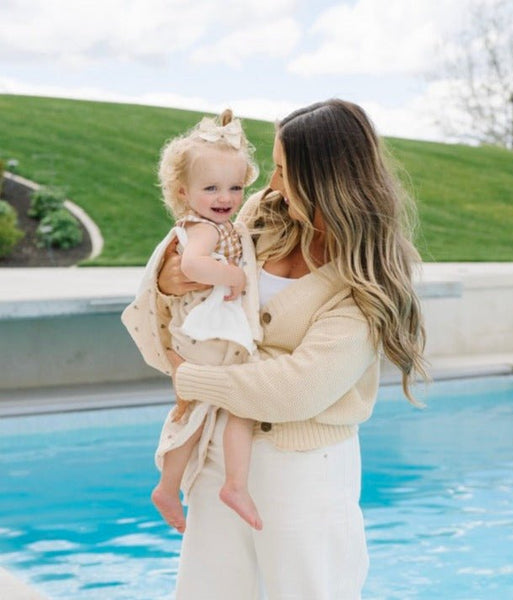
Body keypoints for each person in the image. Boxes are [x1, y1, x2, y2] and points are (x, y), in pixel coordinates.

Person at [153, 99, 428, 599]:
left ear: (323, 179)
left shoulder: (369, 279)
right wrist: (169, 283)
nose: (272, 183)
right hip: (220, 449)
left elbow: (296, 390)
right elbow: (191, 283)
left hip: (302, 469)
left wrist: (187, 377)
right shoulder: (266, 214)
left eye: (282, 170)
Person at [121, 109, 265, 535]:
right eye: (211, 188)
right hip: (206, 333)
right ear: (183, 192)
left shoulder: (217, 224)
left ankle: (175, 487)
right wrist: (234, 276)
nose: (226, 197)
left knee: (201, 409)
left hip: (204, 332)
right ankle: (230, 485)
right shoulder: (205, 229)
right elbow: (192, 265)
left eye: (235, 187)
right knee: (239, 402)